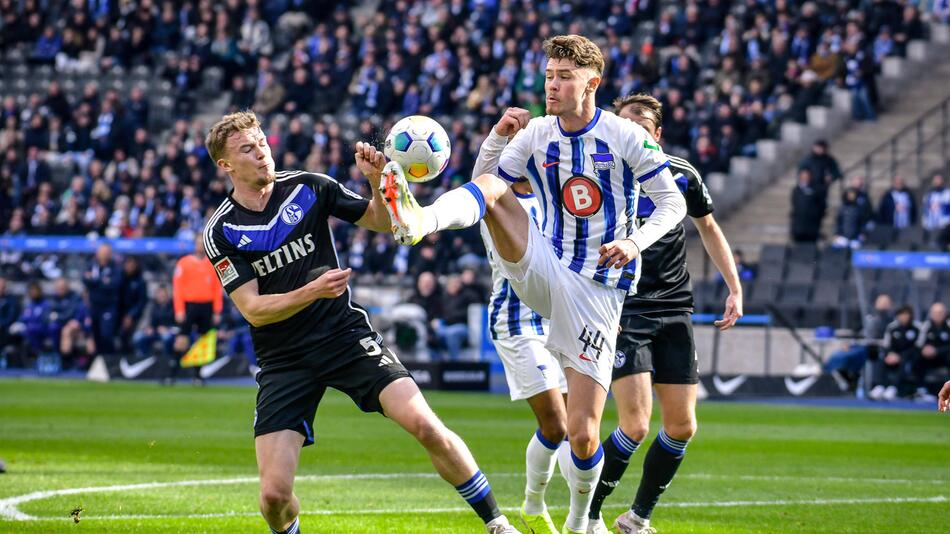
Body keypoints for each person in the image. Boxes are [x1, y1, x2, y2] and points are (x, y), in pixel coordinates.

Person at [378, 35, 686, 533]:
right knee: (498, 191)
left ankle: (581, 520)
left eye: (564, 76)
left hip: (598, 290)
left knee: (583, 435)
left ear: (593, 83)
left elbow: (673, 205)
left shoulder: (627, 136)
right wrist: (497, 138)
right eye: (549, 75)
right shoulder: (538, 132)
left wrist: (635, 244)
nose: (553, 85)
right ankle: (419, 221)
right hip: (544, 263)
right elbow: (485, 187)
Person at [201, 111, 520, 534]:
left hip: (345, 337)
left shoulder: (309, 187)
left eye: (261, 141)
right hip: (284, 359)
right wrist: (313, 290)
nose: (261, 152)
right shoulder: (221, 230)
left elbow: (385, 223)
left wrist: (375, 181)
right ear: (225, 166)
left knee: (426, 425)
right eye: (247, 149)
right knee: (274, 498)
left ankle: (498, 524)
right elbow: (253, 309)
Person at [586, 93, 743, 534]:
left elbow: (709, 229)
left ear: (656, 135)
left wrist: (735, 288)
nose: (628, 132)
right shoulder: (600, 175)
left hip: (675, 308)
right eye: (622, 125)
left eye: (639, 126)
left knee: (682, 425)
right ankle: (587, 514)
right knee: (634, 425)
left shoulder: (680, 175)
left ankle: (637, 518)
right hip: (624, 307)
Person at [470, 108, 567, 533]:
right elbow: (480, 179)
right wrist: (496, 135)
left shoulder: (558, 200)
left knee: (577, 425)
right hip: (516, 320)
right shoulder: (498, 199)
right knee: (557, 422)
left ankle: (584, 517)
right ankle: (533, 505)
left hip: (563, 318)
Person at [169, 235, 223, 386]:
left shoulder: (212, 264)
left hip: (206, 306)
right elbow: (177, 288)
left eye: (202, 243)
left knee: (203, 342)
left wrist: (217, 310)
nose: (200, 246)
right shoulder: (184, 263)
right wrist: (179, 310)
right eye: (198, 243)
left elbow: (217, 289)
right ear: (194, 245)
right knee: (182, 339)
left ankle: (197, 376)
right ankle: (172, 373)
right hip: (189, 305)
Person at [870, 305, 919, 401]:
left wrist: (900, 356)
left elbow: (917, 346)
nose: (904, 317)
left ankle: (893, 387)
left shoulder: (916, 328)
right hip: (893, 355)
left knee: (904, 360)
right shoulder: (892, 327)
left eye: (906, 314)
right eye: (901, 314)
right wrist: (890, 354)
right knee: (881, 357)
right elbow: (887, 344)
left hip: (909, 356)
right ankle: (879, 386)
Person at [83, 243, 122, 357]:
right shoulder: (92, 265)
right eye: (102, 252)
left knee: (106, 334)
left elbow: (114, 284)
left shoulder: (115, 268)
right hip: (93, 306)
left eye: (106, 253)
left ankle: (110, 358)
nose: (104, 255)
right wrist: (102, 281)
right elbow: (85, 279)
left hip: (108, 307)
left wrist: (95, 280)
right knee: (94, 334)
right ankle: (98, 360)